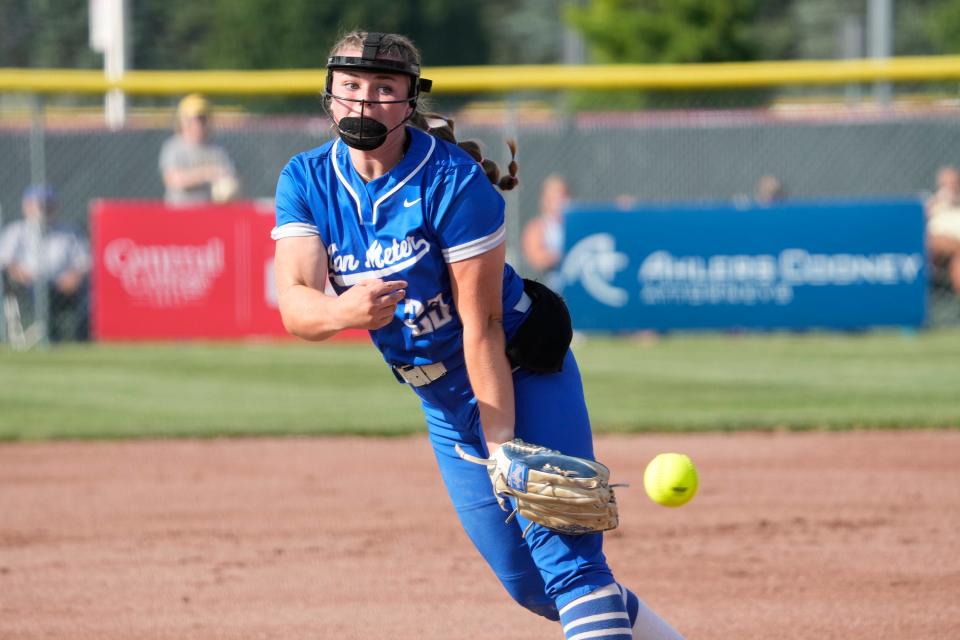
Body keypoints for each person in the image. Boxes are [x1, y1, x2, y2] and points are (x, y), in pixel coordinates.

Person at [271, 31, 684, 640]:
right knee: (533, 587)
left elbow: (482, 325)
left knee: (572, 570)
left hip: (516, 372)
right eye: (350, 88)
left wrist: (503, 449)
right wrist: (343, 311)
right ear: (329, 97)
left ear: (411, 100)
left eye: (384, 89)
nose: (364, 103)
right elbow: (296, 304)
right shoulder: (307, 179)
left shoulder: (452, 181)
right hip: (442, 402)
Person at [0, 185, 90, 343]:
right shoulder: (16, 231)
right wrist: (21, 274)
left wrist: (74, 277)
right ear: (26, 206)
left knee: (90, 294)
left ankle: (82, 338)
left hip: (65, 285)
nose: (44, 210)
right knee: (40, 289)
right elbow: (7, 262)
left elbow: (84, 262)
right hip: (29, 285)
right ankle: (50, 336)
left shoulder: (70, 231)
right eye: (39, 205)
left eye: (48, 205)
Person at [159, 93, 239, 206]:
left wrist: (228, 187)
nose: (198, 124)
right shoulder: (174, 147)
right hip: (179, 212)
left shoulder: (217, 150)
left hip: (208, 213)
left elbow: (230, 177)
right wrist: (205, 174)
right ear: (182, 121)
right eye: (194, 119)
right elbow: (173, 180)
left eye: (202, 119)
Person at [521, 174, 570, 291]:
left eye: (563, 196)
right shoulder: (537, 227)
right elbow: (536, 258)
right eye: (555, 198)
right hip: (551, 291)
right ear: (545, 200)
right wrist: (565, 255)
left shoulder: (577, 224)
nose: (560, 202)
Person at [924, 165, 960, 293]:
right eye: (946, 183)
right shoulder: (933, 202)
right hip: (936, 244)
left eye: (953, 182)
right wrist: (938, 201)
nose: (950, 186)